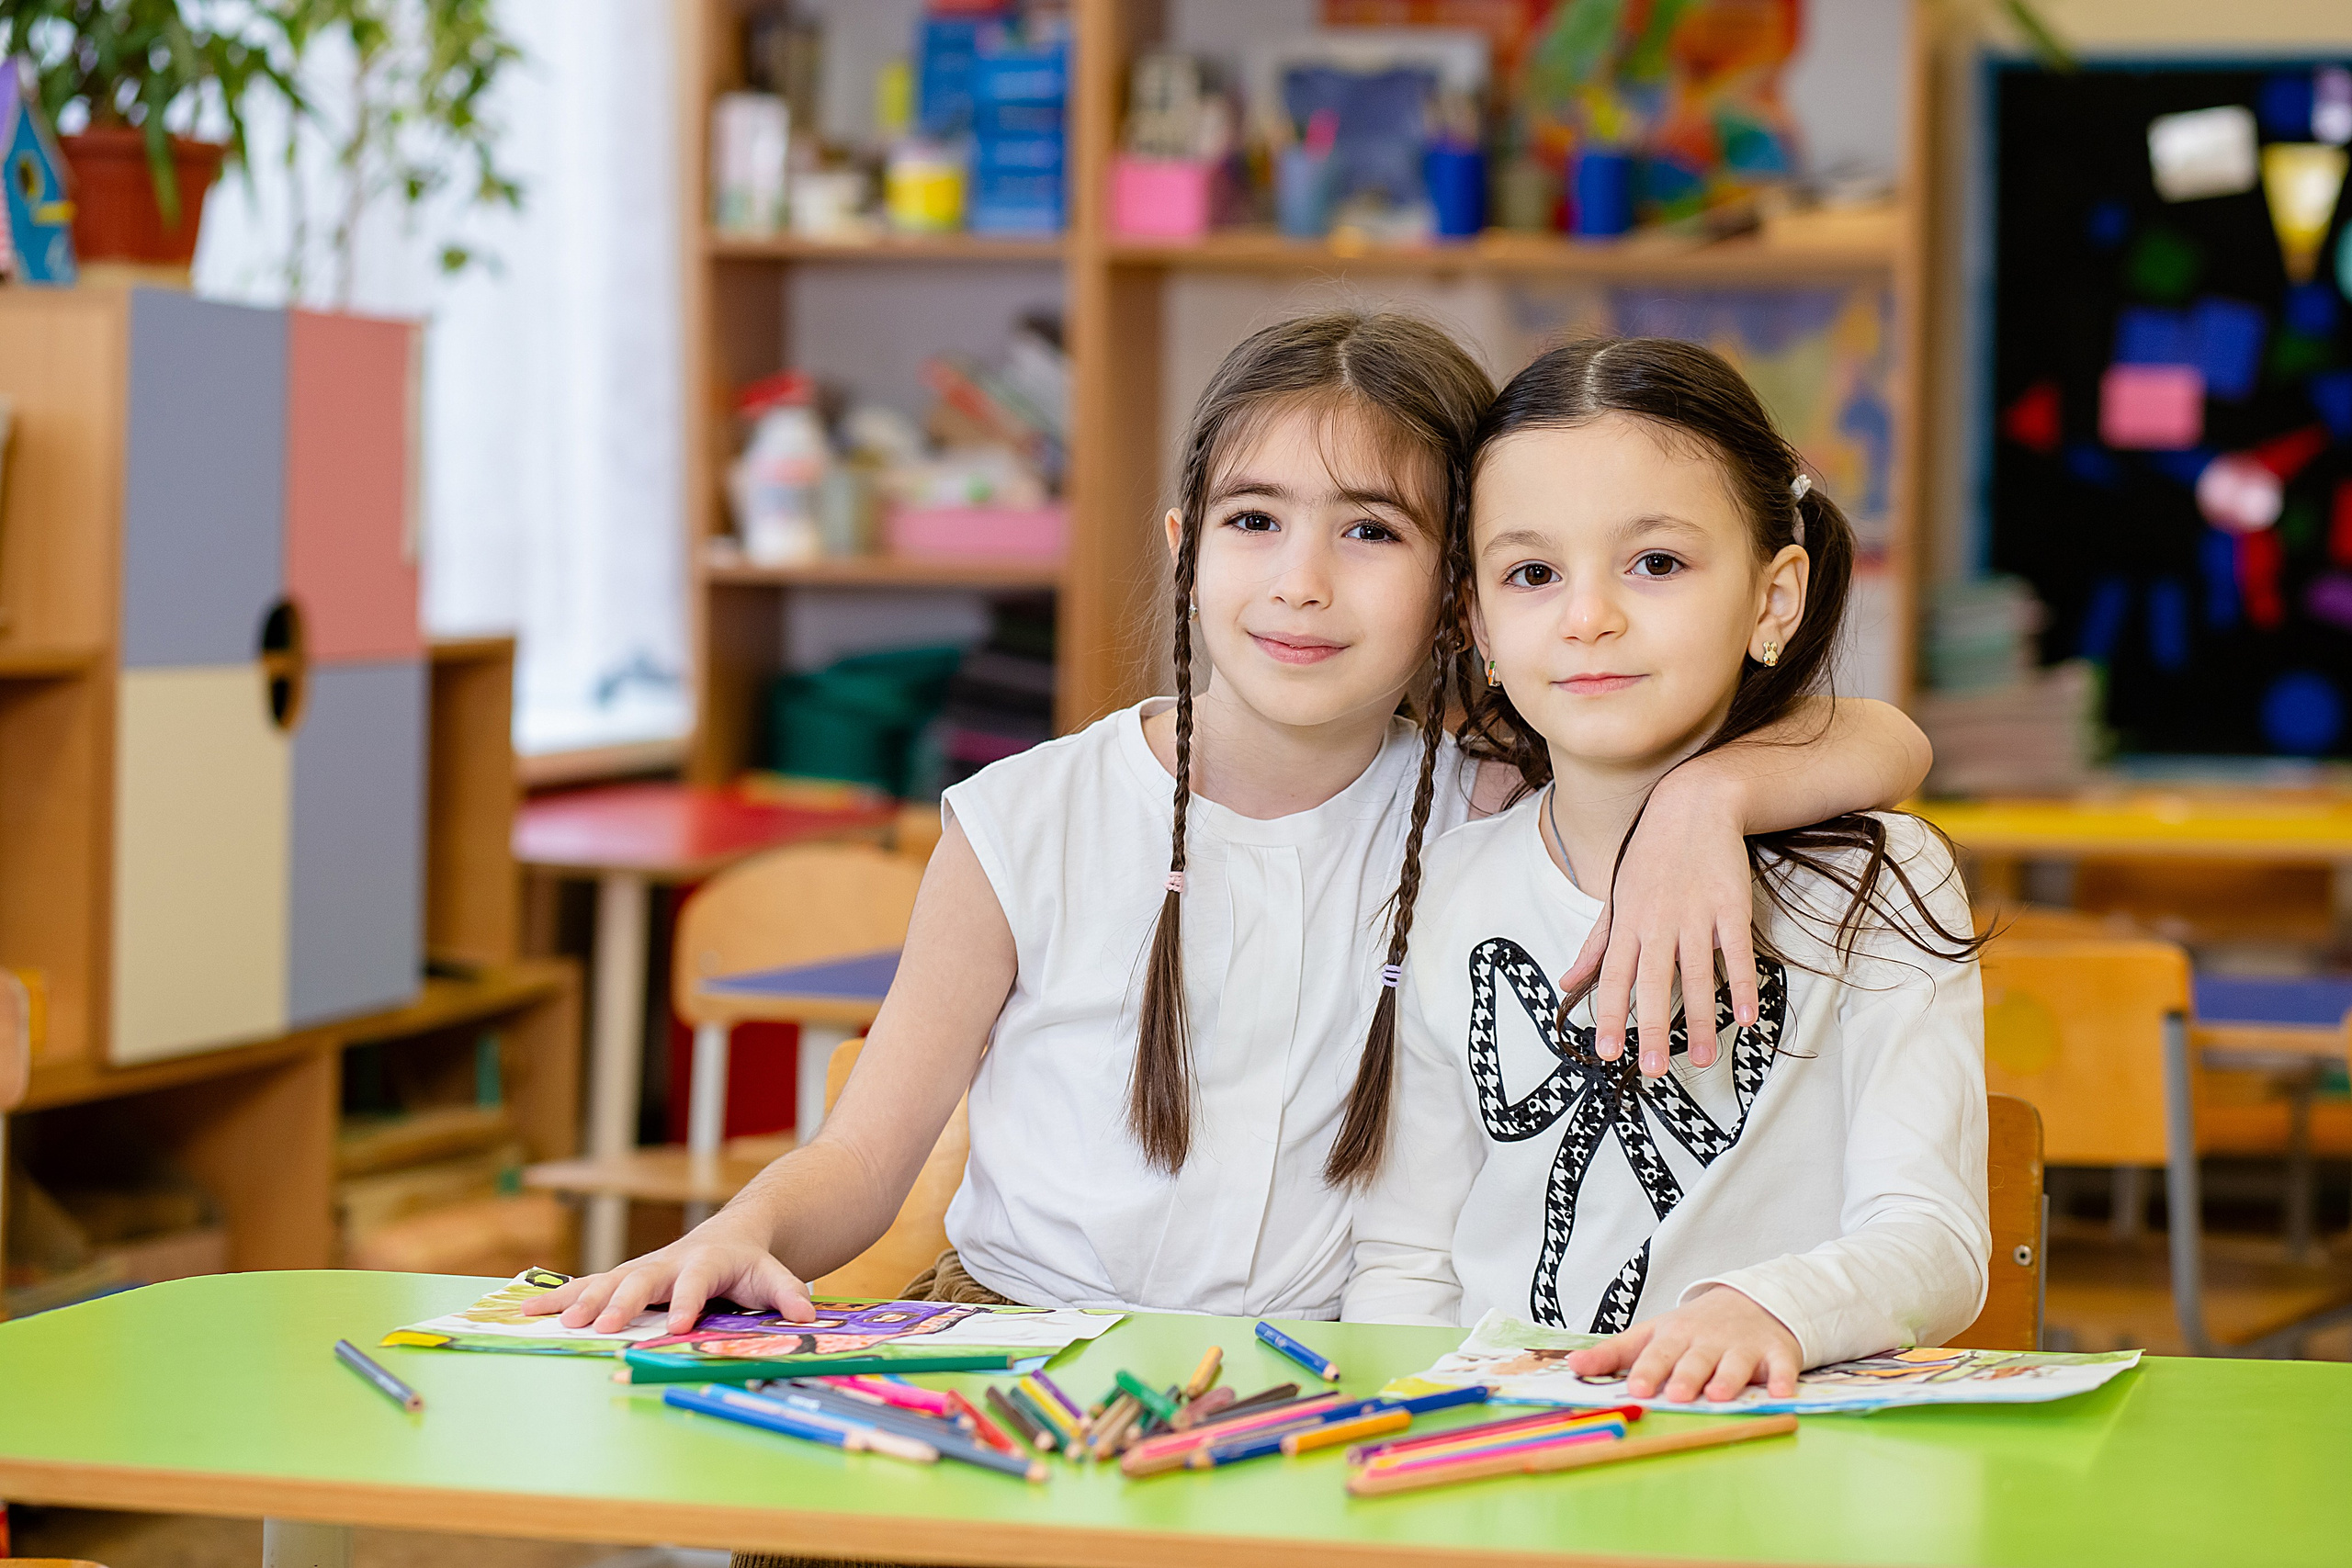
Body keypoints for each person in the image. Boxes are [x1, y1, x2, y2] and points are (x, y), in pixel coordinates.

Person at [526, 312, 1933, 1344]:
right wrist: (742, 1228)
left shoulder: (1490, 799)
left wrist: (1710, 795)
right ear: (1186, 540)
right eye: (1257, 519)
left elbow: (1880, 741)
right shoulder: (1031, 815)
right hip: (1021, 1354)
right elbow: (862, 1160)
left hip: (1312, 1382)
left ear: (1462, 594)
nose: (1303, 582)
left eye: (1373, 531)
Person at [1346, 336, 1989, 1408]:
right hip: (1500, 1462)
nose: (1587, 615)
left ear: (1773, 601)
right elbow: (1406, 1262)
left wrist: (1772, 1308)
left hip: (1785, 1460)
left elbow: (1934, 1239)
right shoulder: (1449, 885)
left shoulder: (1877, 879)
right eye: (1532, 573)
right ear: (1478, 625)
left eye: (1656, 563)